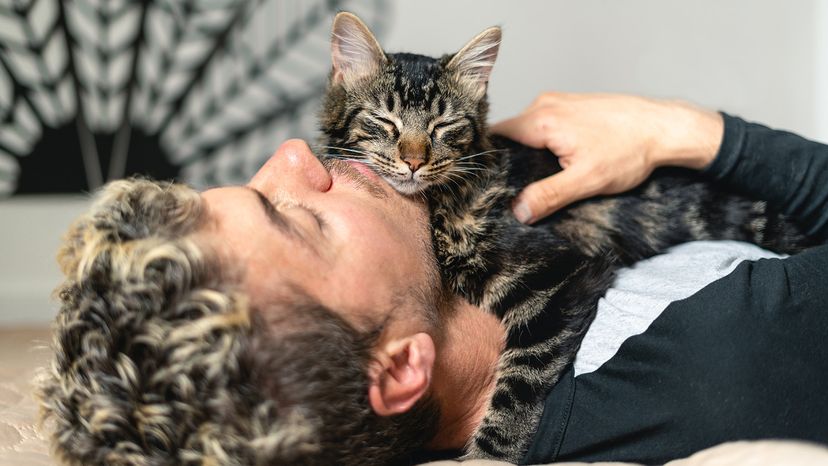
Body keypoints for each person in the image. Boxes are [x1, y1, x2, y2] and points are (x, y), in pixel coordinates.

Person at [36, 93, 828, 465]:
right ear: (401, 366)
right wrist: (693, 133)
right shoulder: (723, 352)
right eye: (299, 218)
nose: (296, 157)